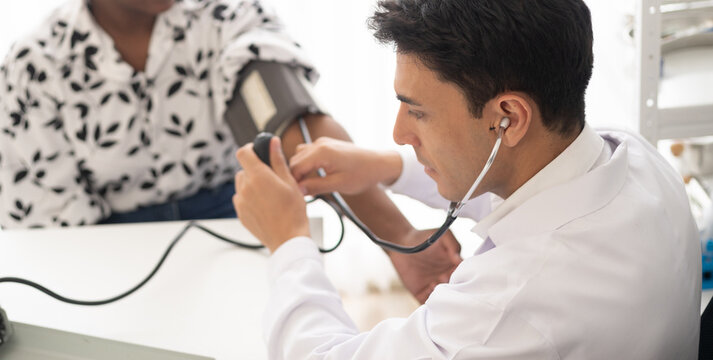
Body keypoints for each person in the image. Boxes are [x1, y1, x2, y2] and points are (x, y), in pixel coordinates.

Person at [232, 0, 702, 358]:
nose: (399, 134)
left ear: (507, 118)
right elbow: (527, 185)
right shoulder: (638, 161)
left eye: (418, 112)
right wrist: (388, 169)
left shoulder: (505, 310)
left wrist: (289, 241)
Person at [0, 0, 430, 240]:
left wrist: (403, 240)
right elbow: (46, 233)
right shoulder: (34, 67)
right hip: (106, 247)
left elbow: (301, 135)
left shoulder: (227, 18)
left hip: (233, 220)